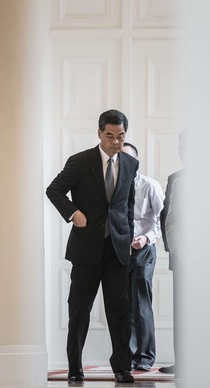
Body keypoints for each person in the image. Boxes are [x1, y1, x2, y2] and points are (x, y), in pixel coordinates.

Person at [46, 109, 139, 384]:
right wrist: (74, 213)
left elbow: (128, 206)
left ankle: (122, 368)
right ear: (99, 134)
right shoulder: (79, 162)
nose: (115, 142)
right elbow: (54, 190)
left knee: (120, 311)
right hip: (86, 250)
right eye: (109, 136)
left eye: (120, 136)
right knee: (79, 310)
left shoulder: (131, 164)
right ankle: (75, 367)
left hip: (118, 250)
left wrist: (129, 238)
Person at [121, 143, 164, 372]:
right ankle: (128, 356)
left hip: (143, 250)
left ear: (136, 161)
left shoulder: (150, 186)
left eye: (128, 158)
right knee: (123, 305)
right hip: (120, 252)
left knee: (141, 304)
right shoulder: (114, 187)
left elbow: (160, 220)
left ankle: (146, 357)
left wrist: (145, 239)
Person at [158, 131, 186, 375]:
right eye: (182, 147)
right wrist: (176, 250)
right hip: (184, 257)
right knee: (182, 312)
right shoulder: (175, 179)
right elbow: (167, 217)